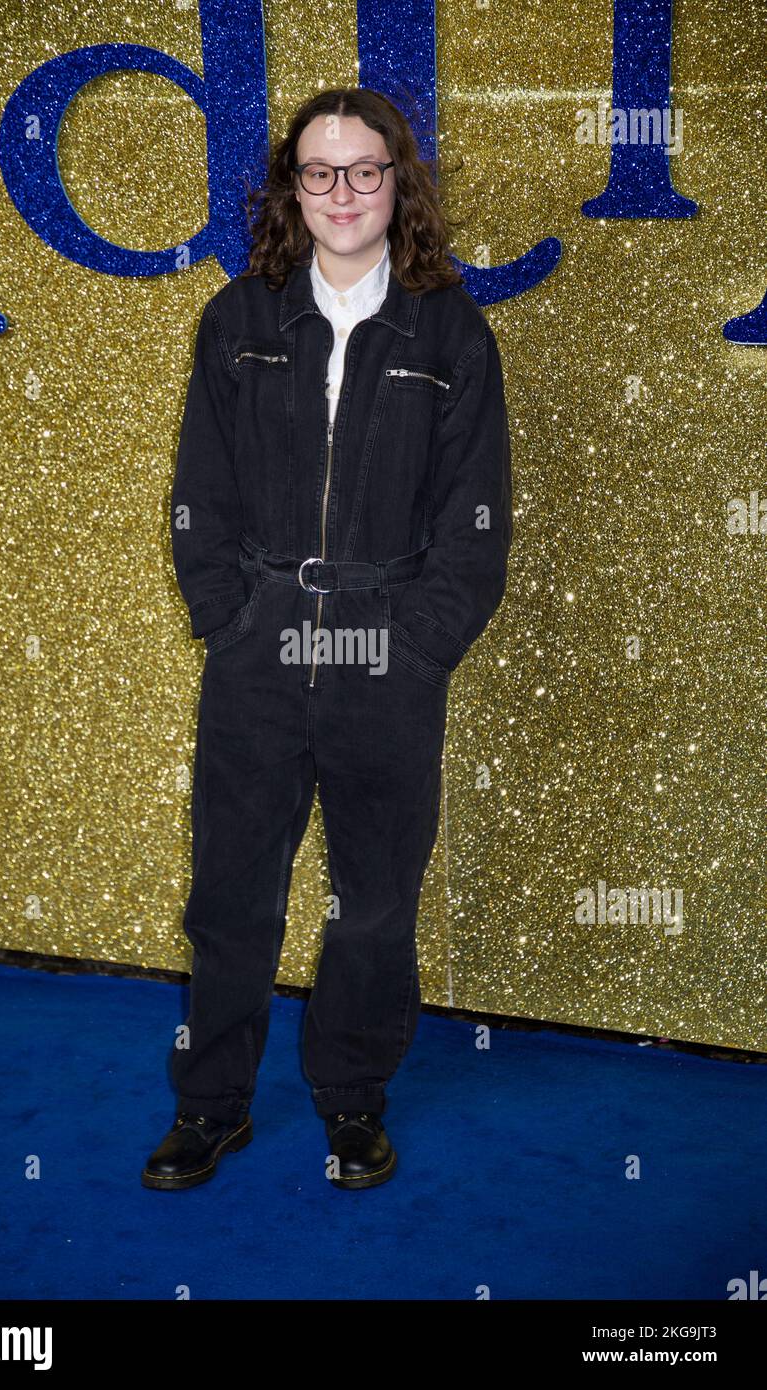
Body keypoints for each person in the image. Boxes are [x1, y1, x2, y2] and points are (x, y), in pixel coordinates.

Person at [142, 87, 513, 1192]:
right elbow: (197, 491)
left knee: (373, 899)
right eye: (318, 171)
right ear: (290, 187)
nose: (341, 192)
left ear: (398, 183)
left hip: (384, 654)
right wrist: (225, 615)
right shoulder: (238, 320)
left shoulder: (450, 330)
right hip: (257, 651)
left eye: (364, 170)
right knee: (229, 896)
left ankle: (352, 1101)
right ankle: (211, 1107)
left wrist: (419, 644)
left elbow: (475, 517)